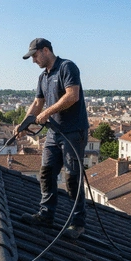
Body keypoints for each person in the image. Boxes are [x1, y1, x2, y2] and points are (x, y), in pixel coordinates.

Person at [17, 38, 89, 239]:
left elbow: (72, 95)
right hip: (54, 133)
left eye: (34, 55)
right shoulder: (43, 77)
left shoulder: (67, 67)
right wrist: (24, 123)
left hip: (73, 132)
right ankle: (46, 215)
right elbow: (37, 103)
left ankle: (77, 224)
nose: (33, 61)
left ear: (46, 50)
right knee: (46, 172)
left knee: (72, 178)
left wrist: (48, 112)